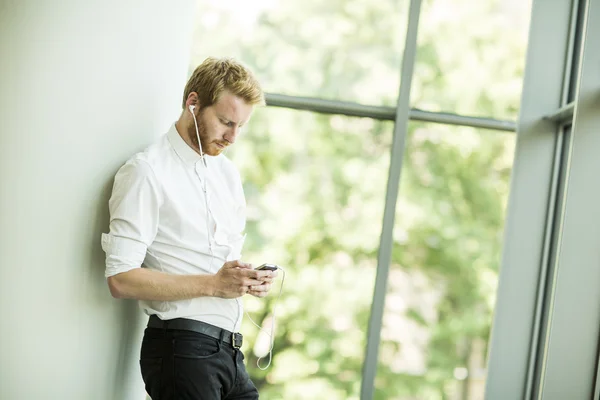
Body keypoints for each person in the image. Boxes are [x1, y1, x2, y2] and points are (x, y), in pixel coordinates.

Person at [101, 57, 277, 399]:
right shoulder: (146, 172)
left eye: (241, 126)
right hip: (182, 350)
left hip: (229, 352)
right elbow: (120, 279)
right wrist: (214, 284)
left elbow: (216, 266)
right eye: (226, 122)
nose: (232, 137)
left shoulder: (227, 175)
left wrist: (244, 278)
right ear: (193, 103)